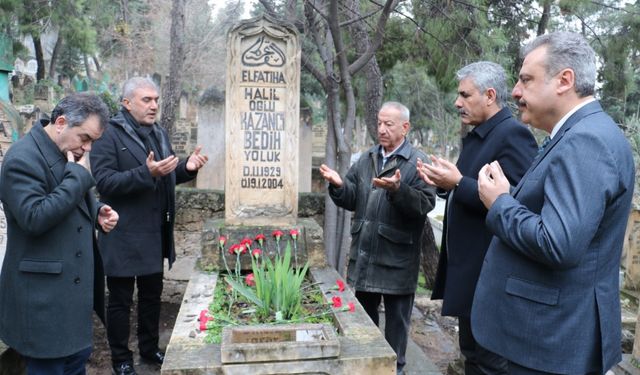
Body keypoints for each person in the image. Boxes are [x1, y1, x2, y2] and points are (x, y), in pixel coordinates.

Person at [472, 31, 635, 374]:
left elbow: (558, 243)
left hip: (549, 343)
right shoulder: (577, 134)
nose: (515, 91)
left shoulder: (586, 140)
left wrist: (500, 203)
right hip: (546, 337)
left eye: (526, 79)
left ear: (564, 80)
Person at [417, 62, 537, 374]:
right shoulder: (480, 135)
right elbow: (471, 188)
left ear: (490, 95)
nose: (457, 102)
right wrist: (446, 184)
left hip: (491, 276)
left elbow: (518, 203)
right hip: (472, 274)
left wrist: (458, 182)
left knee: (490, 363)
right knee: (473, 356)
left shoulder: (513, 135)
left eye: (465, 95)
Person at [90, 77, 208, 375]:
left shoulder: (159, 132)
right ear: (127, 103)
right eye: (146, 100)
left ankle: (149, 347)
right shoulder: (108, 135)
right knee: (119, 301)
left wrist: (185, 169)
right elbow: (104, 182)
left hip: (155, 233)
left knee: (152, 297)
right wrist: (146, 172)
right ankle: (120, 358)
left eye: (156, 99)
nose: (154, 105)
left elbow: (164, 175)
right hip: (122, 233)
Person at [0, 93, 119, 374]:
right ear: (61, 122)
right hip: (42, 304)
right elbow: (33, 216)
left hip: (71, 302)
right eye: (84, 138)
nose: (87, 148)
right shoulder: (22, 158)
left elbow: (66, 198)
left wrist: (96, 210)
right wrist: (78, 178)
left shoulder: (64, 149)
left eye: (93, 141)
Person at [319, 102, 435, 375]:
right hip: (366, 257)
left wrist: (398, 190)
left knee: (396, 332)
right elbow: (351, 198)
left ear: (405, 127)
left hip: (397, 262)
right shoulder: (367, 158)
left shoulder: (417, 161)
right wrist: (338, 185)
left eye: (389, 124)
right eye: (379, 123)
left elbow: (424, 204)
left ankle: (396, 371)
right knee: (364, 330)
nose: (381, 129)